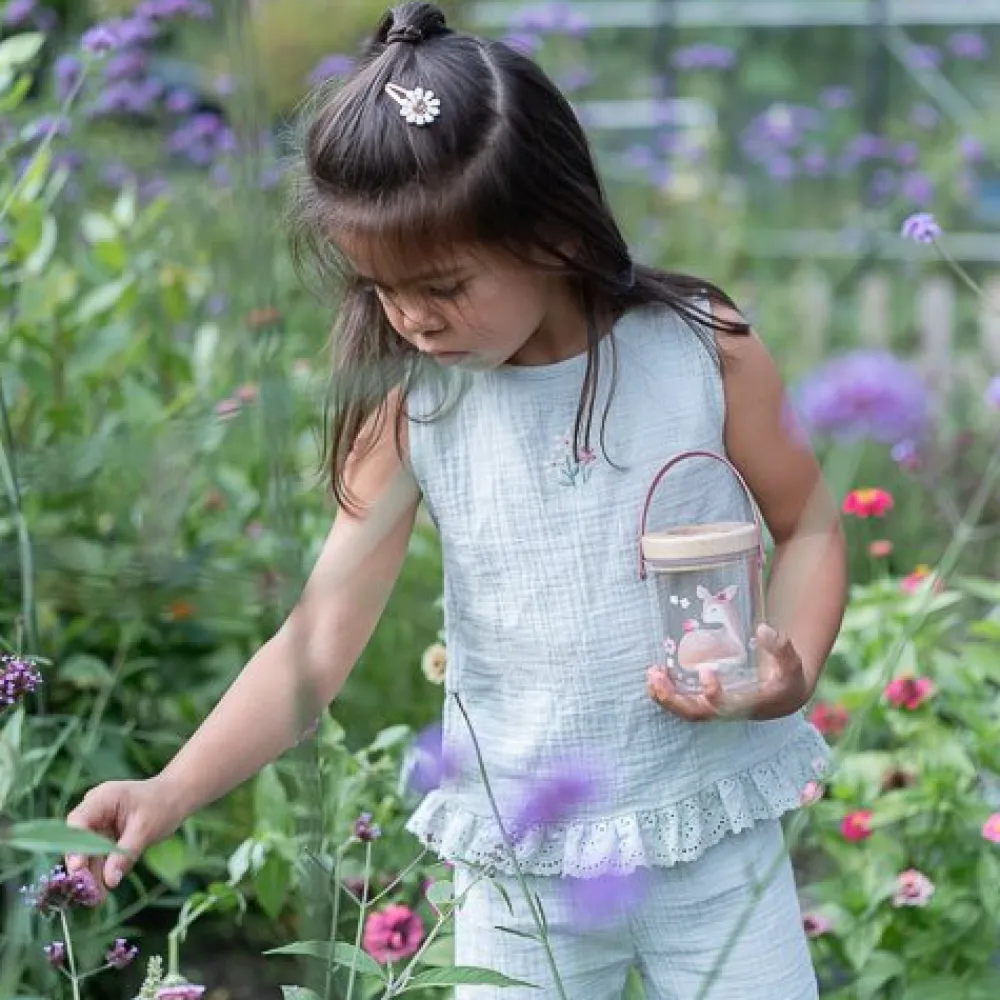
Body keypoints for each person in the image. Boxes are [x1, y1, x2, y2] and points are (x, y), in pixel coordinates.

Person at [66, 4, 848, 997]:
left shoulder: (700, 351)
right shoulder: (411, 404)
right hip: (520, 870)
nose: (410, 319)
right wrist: (167, 788)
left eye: (440, 285)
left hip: (709, 831)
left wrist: (787, 667)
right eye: (381, 289)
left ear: (552, 230)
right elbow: (315, 644)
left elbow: (810, 524)